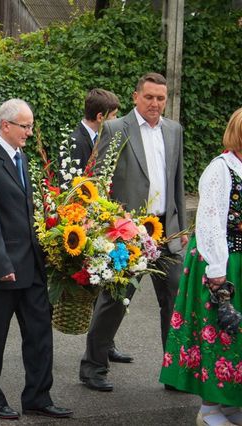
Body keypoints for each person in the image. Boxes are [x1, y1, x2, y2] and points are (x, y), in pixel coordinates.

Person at [80, 72, 188, 392]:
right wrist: (103, 229)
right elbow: (97, 183)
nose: (155, 103)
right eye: (149, 97)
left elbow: (177, 181)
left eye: (160, 98)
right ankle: (93, 366)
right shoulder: (115, 129)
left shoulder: (174, 130)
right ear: (135, 96)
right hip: (127, 232)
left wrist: (180, 225)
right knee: (115, 299)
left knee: (175, 296)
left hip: (165, 230)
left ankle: (173, 370)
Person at [0, 99, 72, 420]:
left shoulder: (21, 157)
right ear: (6, 126)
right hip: (3, 268)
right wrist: (2, 265)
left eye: (30, 125)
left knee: (40, 333)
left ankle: (38, 396)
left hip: (31, 264)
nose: (29, 131)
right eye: (25, 126)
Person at [160, 108, 242, 426]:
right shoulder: (220, 170)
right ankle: (210, 409)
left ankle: (231, 404)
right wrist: (218, 272)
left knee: (237, 337)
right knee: (219, 330)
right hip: (220, 261)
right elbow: (210, 223)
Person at [62, 88, 120, 176]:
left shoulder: (104, 137)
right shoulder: (73, 143)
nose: (116, 119)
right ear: (100, 117)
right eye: (114, 115)